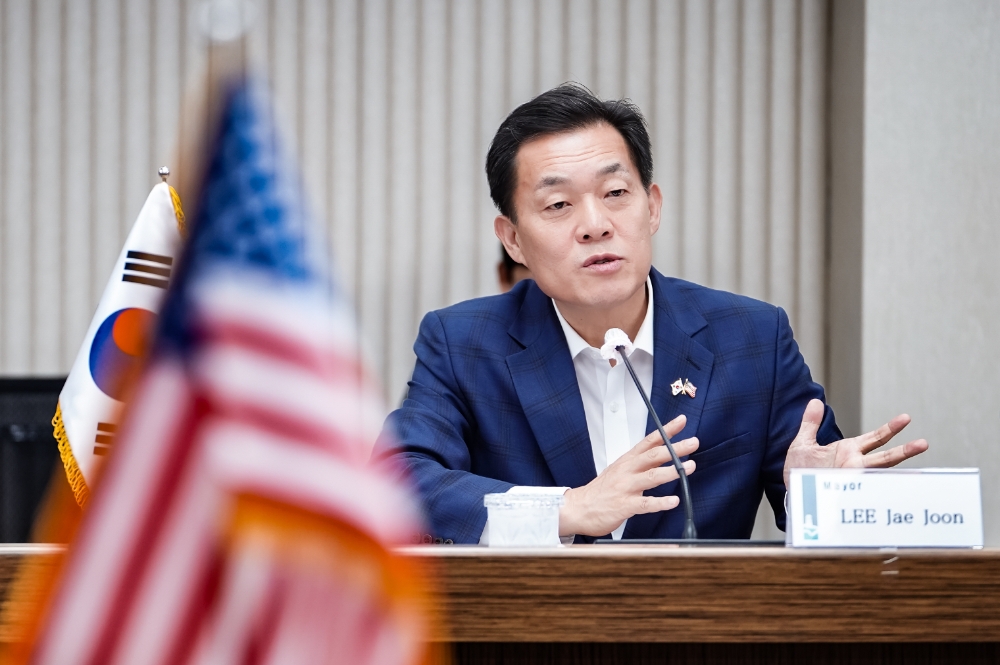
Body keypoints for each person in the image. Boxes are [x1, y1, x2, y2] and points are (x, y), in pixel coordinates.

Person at [375, 84, 928, 544]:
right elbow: (396, 481)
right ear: (513, 239)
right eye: (559, 205)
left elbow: (834, 523)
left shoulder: (753, 338)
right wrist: (569, 508)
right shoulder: (463, 342)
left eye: (616, 192)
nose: (595, 224)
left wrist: (827, 498)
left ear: (653, 207)